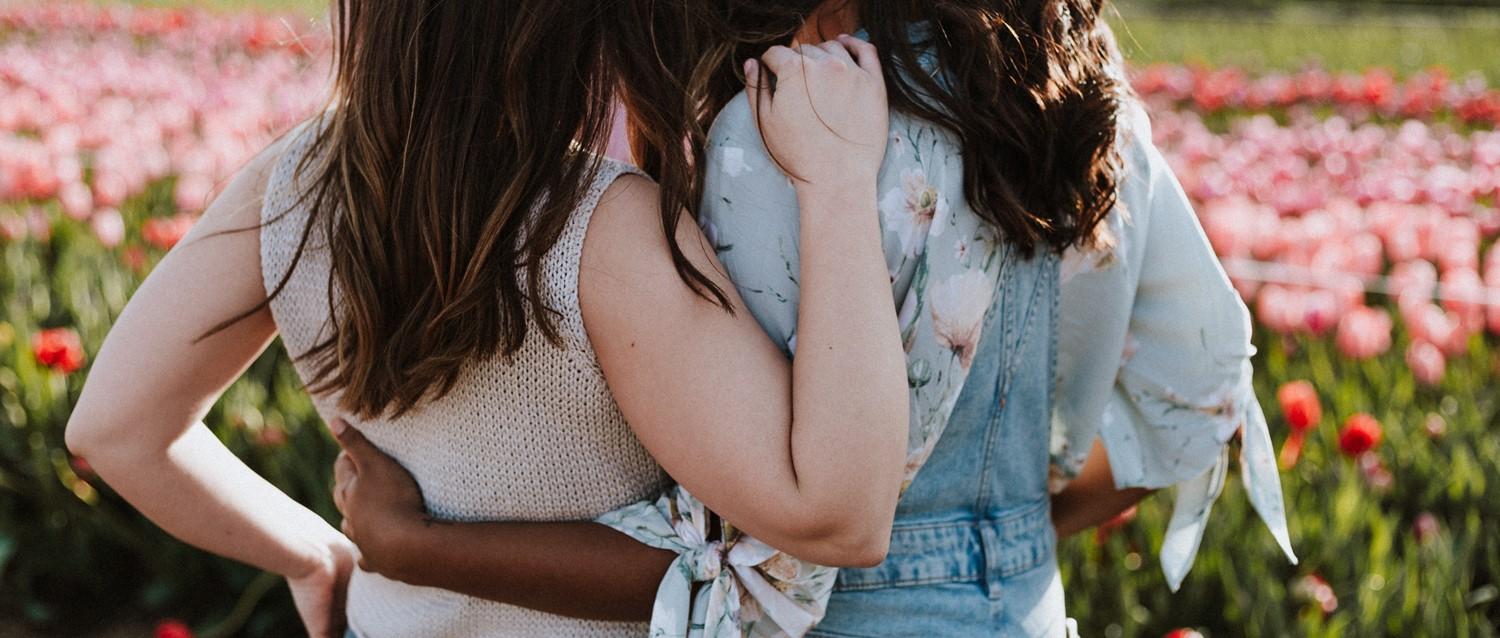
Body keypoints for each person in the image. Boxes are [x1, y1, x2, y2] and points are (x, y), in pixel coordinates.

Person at [333, 1, 1297, 636]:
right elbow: (1198, 391)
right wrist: (990, 538)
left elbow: (737, 561)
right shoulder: (1088, 116)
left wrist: (420, 546)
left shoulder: (776, 137)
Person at [62, 1, 913, 636]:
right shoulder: (601, 226)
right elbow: (839, 516)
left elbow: (115, 429)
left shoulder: (295, 182)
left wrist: (316, 556)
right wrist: (838, 183)